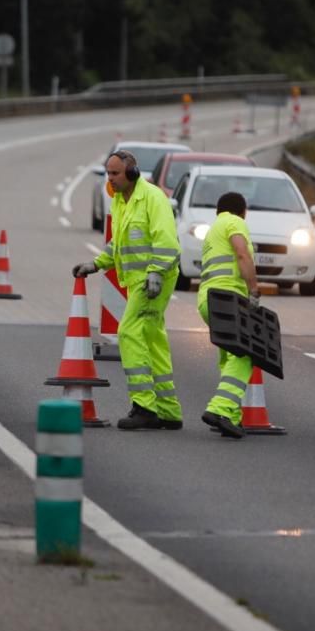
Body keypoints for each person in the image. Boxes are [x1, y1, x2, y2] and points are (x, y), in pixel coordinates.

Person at [72, 150, 183, 430]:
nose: (110, 179)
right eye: (107, 173)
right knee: (152, 340)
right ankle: (168, 411)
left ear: (131, 173)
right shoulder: (121, 201)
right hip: (138, 280)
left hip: (152, 279)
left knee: (128, 332)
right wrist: (96, 264)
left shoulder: (153, 198)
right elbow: (118, 243)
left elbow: (167, 241)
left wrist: (156, 273)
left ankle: (145, 406)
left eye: (115, 174)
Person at [197, 192, 258, 439]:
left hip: (207, 300)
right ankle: (219, 409)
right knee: (244, 354)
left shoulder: (213, 230)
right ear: (242, 211)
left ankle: (231, 417)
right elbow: (242, 254)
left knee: (229, 356)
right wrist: (253, 288)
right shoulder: (234, 222)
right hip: (228, 298)